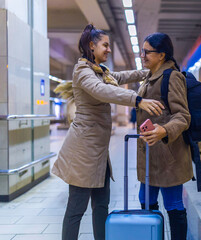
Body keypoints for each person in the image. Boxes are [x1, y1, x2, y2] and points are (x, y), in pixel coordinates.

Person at [51, 24, 164, 240]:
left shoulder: (101, 72)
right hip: (82, 153)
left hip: (99, 154)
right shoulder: (82, 71)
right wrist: (137, 100)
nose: (109, 49)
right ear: (91, 46)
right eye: (105, 45)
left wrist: (152, 71)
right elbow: (101, 91)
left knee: (101, 206)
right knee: (76, 209)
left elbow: (122, 77)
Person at [137, 32, 193, 240]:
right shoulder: (149, 77)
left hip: (169, 155)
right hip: (150, 155)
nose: (143, 55)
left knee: (173, 205)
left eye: (147, 52)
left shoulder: (172, 77)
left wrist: (165, 130)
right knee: (146, 202)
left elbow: (183, 116)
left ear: (161, 55)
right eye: (143, 51)